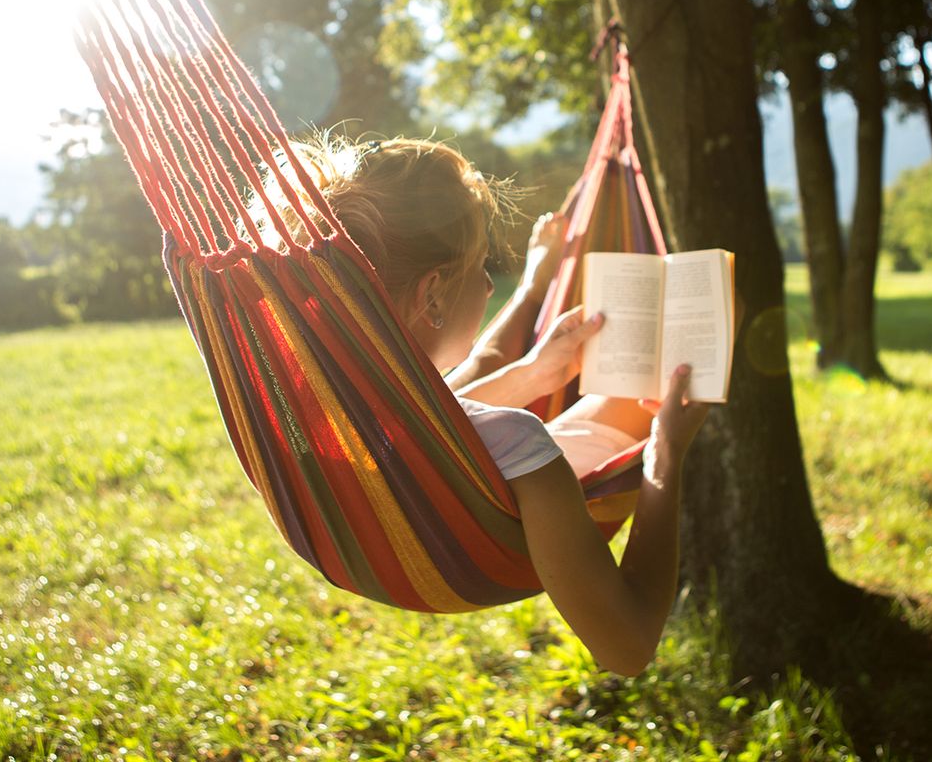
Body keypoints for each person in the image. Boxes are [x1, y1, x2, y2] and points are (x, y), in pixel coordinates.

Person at [260, 135, 713, 676]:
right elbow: (629, 647)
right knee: (641, 401)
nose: (485, 281)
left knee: (617, 396)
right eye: (481, 266)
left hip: (382, 520)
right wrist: (664, 457)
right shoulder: (519, 442)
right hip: (475, 524)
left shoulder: (329, 397)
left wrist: (536, 373)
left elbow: (430, 421)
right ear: (431, 293)